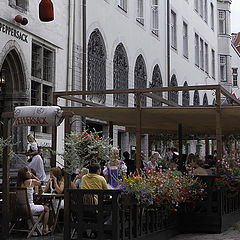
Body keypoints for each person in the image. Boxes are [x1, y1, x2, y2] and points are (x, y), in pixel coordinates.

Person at [16, 167, 50, 235]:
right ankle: (44, 229)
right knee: (46, 208)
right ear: (25, 174)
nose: (30, 173)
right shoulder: (30, 181)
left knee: (42, 207)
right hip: (29, 207)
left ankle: (36, 227)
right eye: (28, 172)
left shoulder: (19, 184)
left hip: (20, 208)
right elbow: (40, 182)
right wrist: (33, 176)